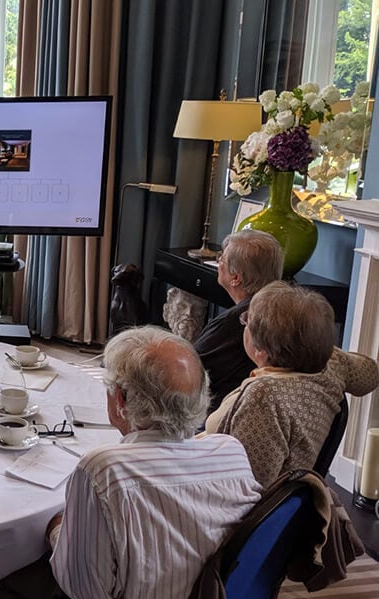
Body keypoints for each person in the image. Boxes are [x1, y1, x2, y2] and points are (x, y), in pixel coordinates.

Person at [49, 326, 261, 599]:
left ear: (119, 400)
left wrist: (56, 532)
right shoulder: (231, 451)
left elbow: (84, 589)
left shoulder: (103, 470)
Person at [204, 281, 379, 486]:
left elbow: (249, 487)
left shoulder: (263, 397)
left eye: (246, 321)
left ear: (262, 350)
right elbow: (371, 375)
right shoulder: (332, 363)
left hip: (231, 502)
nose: (244, 325)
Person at [193, 230, 284, 413]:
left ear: (235, 278)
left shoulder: (236, 321)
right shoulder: (283, 309)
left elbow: (190, 371)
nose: (218, 263)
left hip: (217, 414)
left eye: (222, 259)